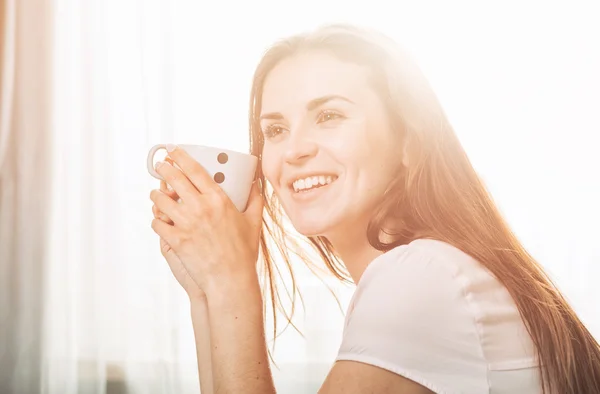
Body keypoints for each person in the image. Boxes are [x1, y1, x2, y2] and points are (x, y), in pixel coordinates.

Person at [149, 24, 600, 394]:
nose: (293, 151)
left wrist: (231, 283)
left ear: (410, 142)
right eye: (276, 129)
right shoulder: (427, 270)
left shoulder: (421, 275)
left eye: (329, 116)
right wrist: (205, 289)